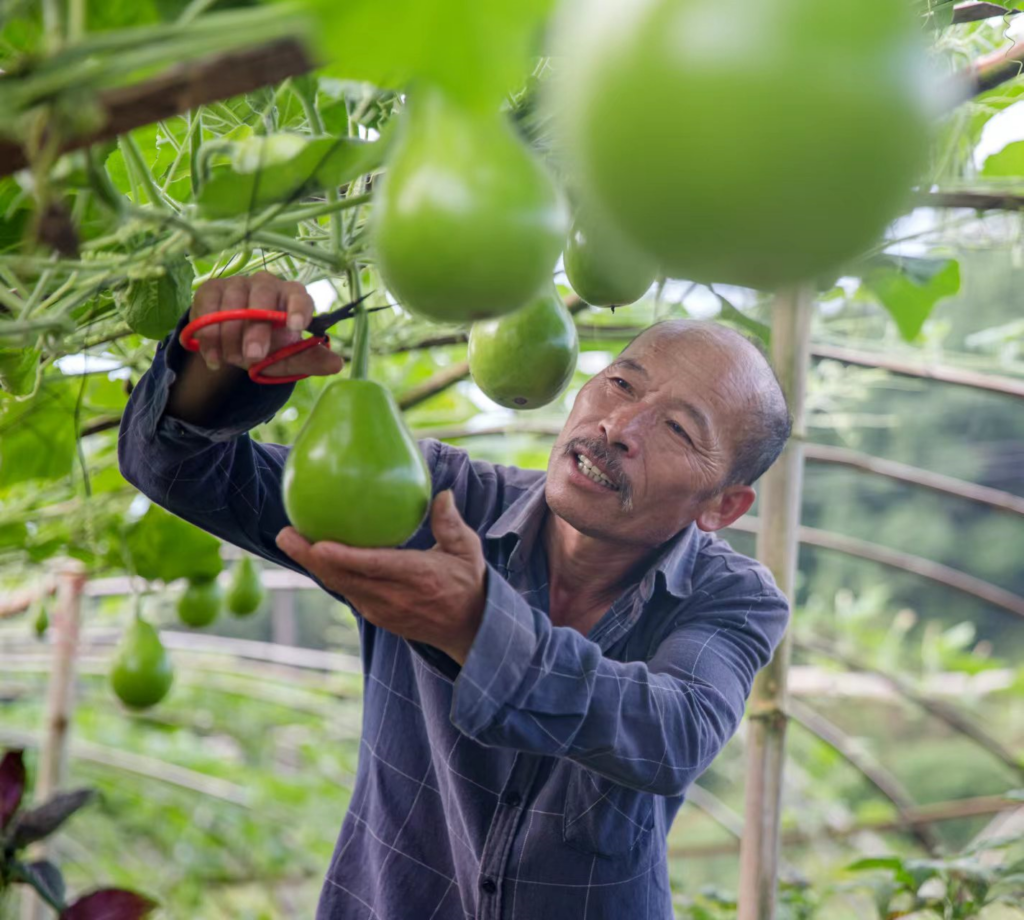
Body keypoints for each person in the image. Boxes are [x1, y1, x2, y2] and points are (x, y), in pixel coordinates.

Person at [118, 270, 792, 920]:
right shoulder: (434, 496)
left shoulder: (733, 598)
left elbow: (671, 734)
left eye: (677, 429)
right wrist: (213, 369)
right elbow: (182, 471)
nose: (620, 427)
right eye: (619, 384)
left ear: (723, 506)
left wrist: (475, 627)